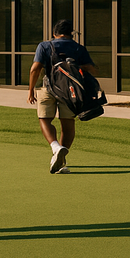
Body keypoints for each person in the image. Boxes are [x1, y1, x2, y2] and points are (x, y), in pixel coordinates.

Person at [28, 19, 98, 174]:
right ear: (70, 33)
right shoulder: (78, 48)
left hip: (49, 88)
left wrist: (31, 90)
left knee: (44, 119)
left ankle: (55, 147)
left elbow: (35, 69)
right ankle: (61, 159)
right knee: (67, 124)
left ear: (54, 33)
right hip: (70, 92)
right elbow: (92, 69)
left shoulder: (45, 46)